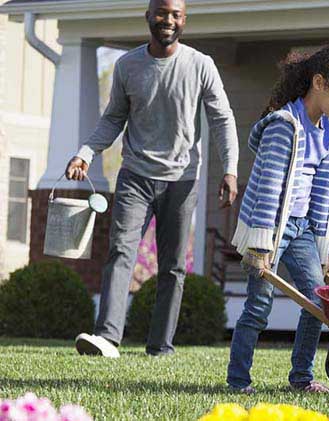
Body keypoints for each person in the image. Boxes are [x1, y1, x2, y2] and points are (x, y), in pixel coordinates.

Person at [66, 0, 239, 358]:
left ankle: (160, 346)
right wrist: (85, 152)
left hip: (183, 179)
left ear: (184, 20)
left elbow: (222, 119)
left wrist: (230, 168)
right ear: (148, 16)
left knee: (173, 266)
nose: (168, 20)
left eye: (176, 14)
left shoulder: (200, 65)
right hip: (135, 176)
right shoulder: (128, 65)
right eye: (162, 13)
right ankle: (107, 338)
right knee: (120, 251)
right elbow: (113, 118)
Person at [226, 44, 329, 394]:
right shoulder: (283, 127)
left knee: (318, 304)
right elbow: (267, 188)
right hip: (269, 228)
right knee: (258, 307)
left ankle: (301, 378)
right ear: (319, 82)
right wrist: (259, 245)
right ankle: (238, 381)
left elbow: (323, 197)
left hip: (303, 228)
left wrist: (324, 248)